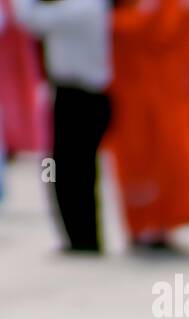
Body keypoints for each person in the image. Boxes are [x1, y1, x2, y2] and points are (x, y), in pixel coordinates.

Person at [108, 0, 189, 252]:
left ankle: (162, 223)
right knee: (137, 161)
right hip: (133, 92)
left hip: (165, 88)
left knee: (168, 158)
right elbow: (124, 29)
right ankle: (142, 224)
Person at [12, 0, 113, 252]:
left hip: (84, 95)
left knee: (75, 170)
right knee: (68, 169)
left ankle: (85, 237)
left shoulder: (85, 5)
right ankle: (78, 236)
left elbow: (33, 19)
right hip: (70, 93)